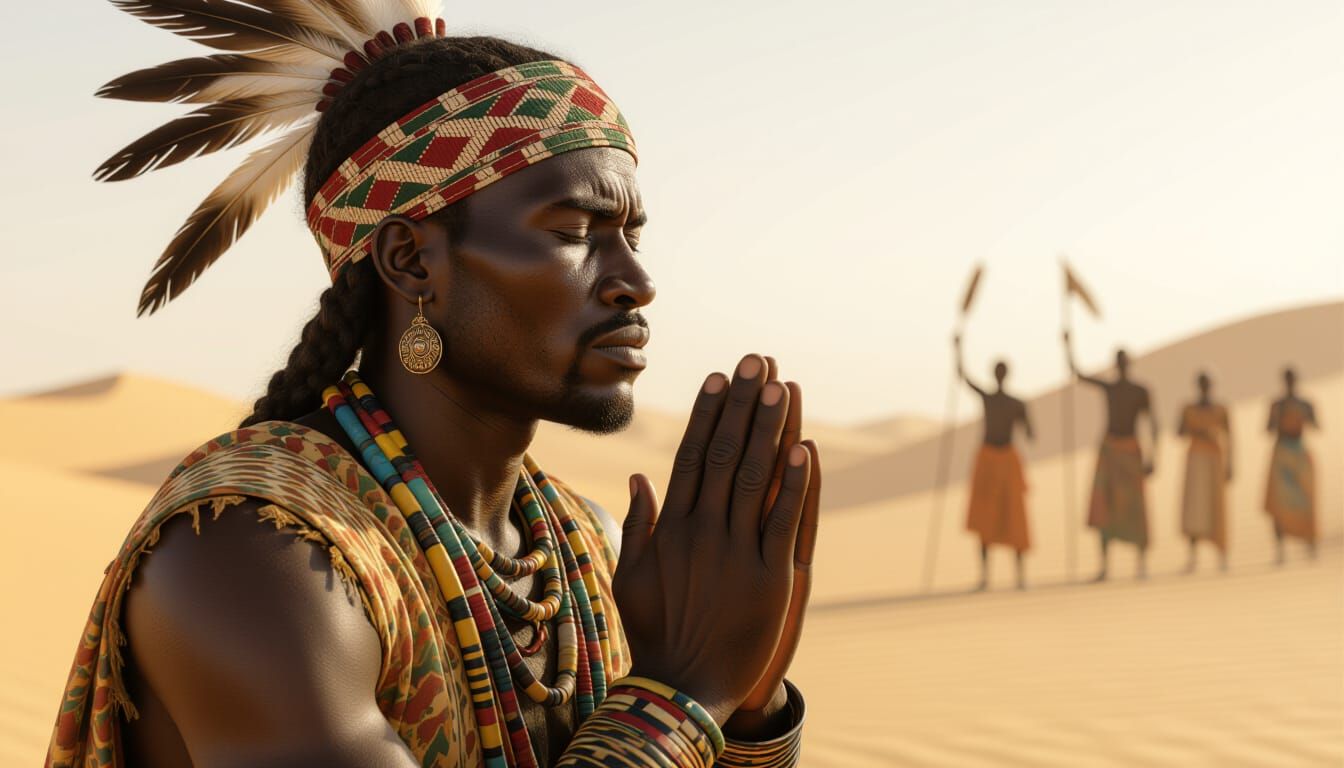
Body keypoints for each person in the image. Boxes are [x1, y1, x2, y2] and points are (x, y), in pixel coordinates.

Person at [48, 4, 821, 767]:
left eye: (632, 236)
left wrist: (748, 709)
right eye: (574, 234)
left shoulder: (588, 547)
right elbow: (673, 705)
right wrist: (683, 689)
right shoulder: (250, 553)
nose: (635, 282)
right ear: (411, 261)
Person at [1064, 332, 1158, 581]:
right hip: (1110, 451)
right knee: (1104, 506)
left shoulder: (1140, 391)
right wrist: (1068, 346)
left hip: (1131, 452)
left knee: (1135, 507)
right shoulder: (1110, 388)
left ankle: (1141, 564)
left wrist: (1153, 456)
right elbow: (1078, 373)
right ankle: (1104, 566)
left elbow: (1153, 424)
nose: (1122, 366)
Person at [954, 336, 1033, 590]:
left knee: (1014, 516)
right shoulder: (992, 399)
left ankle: (1019, 576)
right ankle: (986, 576)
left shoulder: (1014, 403)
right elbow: (963, 376)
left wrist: (1027, 424)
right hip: (988, 460)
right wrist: (958, 348)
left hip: (1007, 461)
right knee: (985, 518)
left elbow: (1030, 431)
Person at [1177, 371, 1232, 572]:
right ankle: (1192, 557)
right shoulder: (1188, 409)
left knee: (1216, 506)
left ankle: (1222, 556)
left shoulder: (1221, 409)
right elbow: (1179, 432)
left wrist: (1230, 464)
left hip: (1215, 459)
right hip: (1195, 458)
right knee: (1194, 508)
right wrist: (1198, 431)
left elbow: (1229, 436)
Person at [1265, 367, 1319, 564]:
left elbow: (1316, 425)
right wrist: (1280, 418)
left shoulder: (1305, 403)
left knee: (1305, 500)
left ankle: (1310, 543)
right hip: (1282, 454)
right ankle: (1280, 549)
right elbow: (1268, 428)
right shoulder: (1277, 404)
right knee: (1279, 503)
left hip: (1299, 453)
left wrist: (1302, 417)